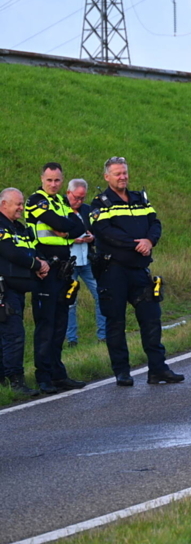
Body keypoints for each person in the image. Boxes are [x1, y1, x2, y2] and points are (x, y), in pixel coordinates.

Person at [91, 157, 184, 387]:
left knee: (152, 319)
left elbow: (156, 223)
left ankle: (158, 370)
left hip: (139, 270)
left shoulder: (139, 199)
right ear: (107, 177)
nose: (122, 177)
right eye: (117, 174)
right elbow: (105, 233)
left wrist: (149, 240)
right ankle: (122, 372)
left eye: (124, 173)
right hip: (113, 271)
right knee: (116, 322)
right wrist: (136, 243)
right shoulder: (100, 203)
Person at [25, 163, 86, 394]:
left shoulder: (61, 201)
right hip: (45, 269)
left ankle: (58, 374)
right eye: (49, 180)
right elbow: (62, 225)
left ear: (63, 181)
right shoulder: (35, 200)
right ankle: (43, 376)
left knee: (61, 323)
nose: (53, 184)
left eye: (57, 180)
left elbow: (80, 227)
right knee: (46, 324)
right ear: (42, 179)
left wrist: (66, 230)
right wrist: (65, 228)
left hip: (63, 269)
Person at [0, 188, 49, 398]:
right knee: (14, 335)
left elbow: (31, 248)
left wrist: (40, 262)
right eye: (17, 204)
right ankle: (15, 380)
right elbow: (10, 253)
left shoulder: (18, 227)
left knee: (10, 335)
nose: (21, 207)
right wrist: (35, 265)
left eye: (21, 203)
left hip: (16, 289)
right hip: (4, 291)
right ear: (3, 204)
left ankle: (5, 379)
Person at [65, 179, 105, 346]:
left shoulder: (88, 210)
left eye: (82, 198)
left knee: (101, 295)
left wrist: (92, 237)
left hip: (87, 259)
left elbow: (99, 231)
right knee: (70, 301)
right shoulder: (60, 211)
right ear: (68, 193)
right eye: (76, 197)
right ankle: (71, 339)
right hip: (69, 261)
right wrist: (73, 239)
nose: (79, 201)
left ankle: (103, 335)